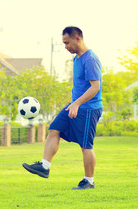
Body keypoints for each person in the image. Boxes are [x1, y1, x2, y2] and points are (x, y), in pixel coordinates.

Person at [22, 26, 103, 190]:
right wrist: (74, 102)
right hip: (75, 105)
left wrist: (77, 103)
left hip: (88, 108)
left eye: (67, 43)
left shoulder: (90, 59)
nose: (65, 47)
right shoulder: (77, 58)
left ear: (78, 38)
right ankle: (44, 166)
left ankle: (89, 181)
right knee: (54, 129)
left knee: (86, 145)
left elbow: (95, 87)